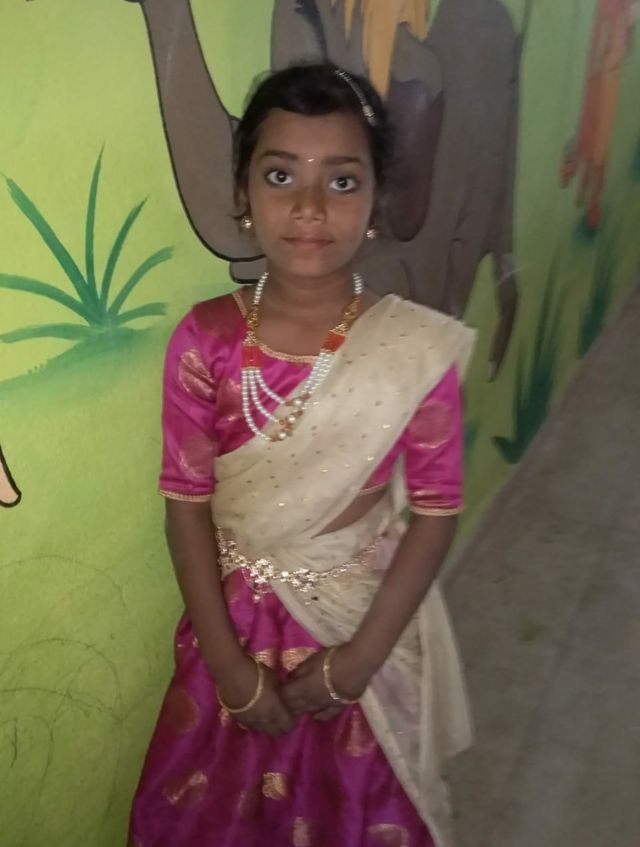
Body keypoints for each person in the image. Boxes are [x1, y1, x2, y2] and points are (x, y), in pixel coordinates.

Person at [129, 63, 475, 847]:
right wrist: (228, 666)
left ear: (376, 203)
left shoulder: (413, 349)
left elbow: (434, 514)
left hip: (358, 630)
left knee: (354, 804)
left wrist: (356, 663)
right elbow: (184, 507)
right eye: (281, 174)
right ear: (242, 193)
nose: (310, 206)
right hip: (231, 633)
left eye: (342, 180)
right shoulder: (206, 339)